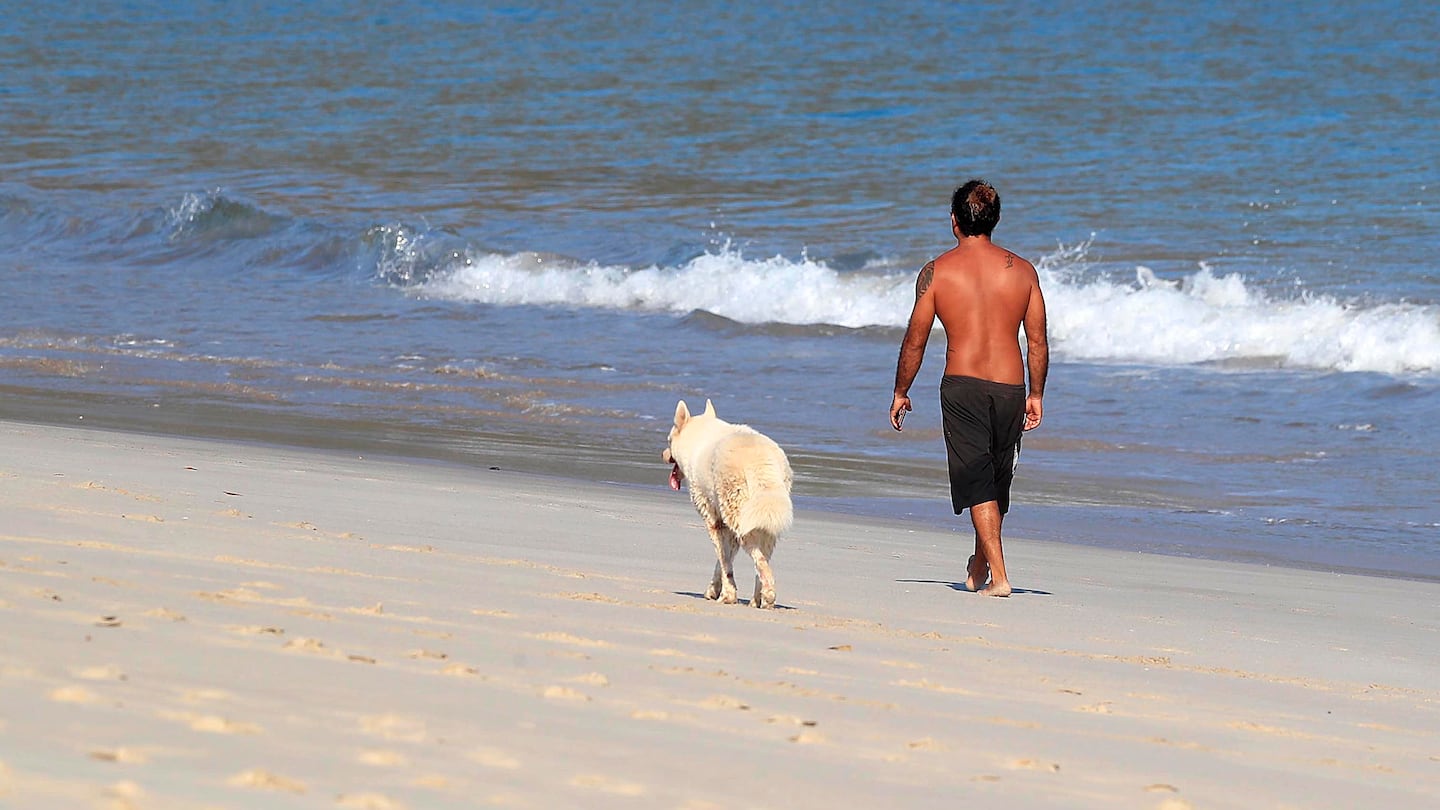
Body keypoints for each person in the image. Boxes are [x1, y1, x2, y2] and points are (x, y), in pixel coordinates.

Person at [889, 179, 1048, 597]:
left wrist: (901, 390)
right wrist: (1036, 394)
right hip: (1011, 387)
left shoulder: (937, 272)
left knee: (979, 481)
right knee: (995, 481)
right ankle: (979, 566)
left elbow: (915, 338)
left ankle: (1001, 577)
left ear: (954, 221)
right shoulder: (1024, 272)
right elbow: (1037, 342)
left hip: (963, 388)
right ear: (995, 220)